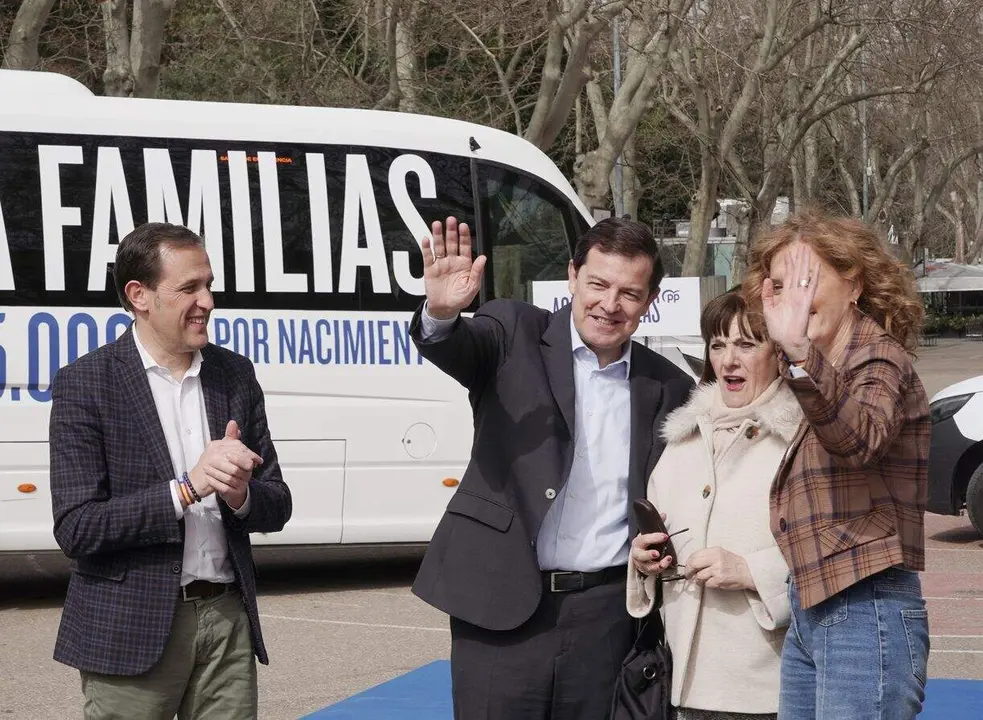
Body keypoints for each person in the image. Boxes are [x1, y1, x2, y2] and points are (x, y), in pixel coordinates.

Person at [410, 216, 694, 719]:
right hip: (500, 605)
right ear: (572, 276)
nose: (610, 304)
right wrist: (441, 313)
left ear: (650, 301)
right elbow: (458, 346)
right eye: (598, 284)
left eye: (629, 293)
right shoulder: (514, 331)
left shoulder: (670, 387)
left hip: (606, 618)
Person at [48, 222, 292, 719]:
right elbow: (77, 527)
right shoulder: (86, 383)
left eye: (209, 284)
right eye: (189, 288)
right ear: (139, 295)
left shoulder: (234, 374)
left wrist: (241, 493)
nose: (208, 301)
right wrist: (186, 489)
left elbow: (278, 502)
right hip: (131, 628)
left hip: (227, 620)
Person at [743, 209, 930, 719]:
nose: (794, 299)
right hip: (816, 605)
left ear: (854, 284)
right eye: (779, 285)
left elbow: (860, 439)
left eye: (807, 281)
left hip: (865, 605)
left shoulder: (878, 358)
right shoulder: (821, 369)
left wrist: (799, 354)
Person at [628, 290, 798, 720]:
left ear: (779, 353)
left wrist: (752, 571)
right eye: (718, 345)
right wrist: (644, 562)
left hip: (764, 688)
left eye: (746, 344)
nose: (729, 360)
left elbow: (834, 549)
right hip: (679, 683)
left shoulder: (802, 440)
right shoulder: (680, 439)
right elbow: (657, 541)